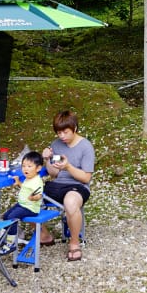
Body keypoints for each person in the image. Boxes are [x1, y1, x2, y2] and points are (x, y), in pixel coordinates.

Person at [41, 109, 94, 261]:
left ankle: (74, 243)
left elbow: (85, 177)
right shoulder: (56, 144)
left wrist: (68, 167)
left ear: (75, 128)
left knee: (70, 202)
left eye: (65, 132)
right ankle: (44, 235)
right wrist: (47, 159)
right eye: (59, 133)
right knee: (27, 196)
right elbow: (53, 173)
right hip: (57, 184)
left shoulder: (86, 147)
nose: (62, 136)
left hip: (78, 186)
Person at [0, 151, 45, 254]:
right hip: (22, 205)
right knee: (6, 216)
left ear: (38, 168)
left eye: (29, 166)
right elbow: (25, 187)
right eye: (23, 166)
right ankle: (6, 237)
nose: (25, 169)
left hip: (31, 208)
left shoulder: (37, 181)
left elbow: (39, 194)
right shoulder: (29, 178)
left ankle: (11, 243)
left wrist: (34, 197)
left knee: (12, 218)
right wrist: (19, 182)